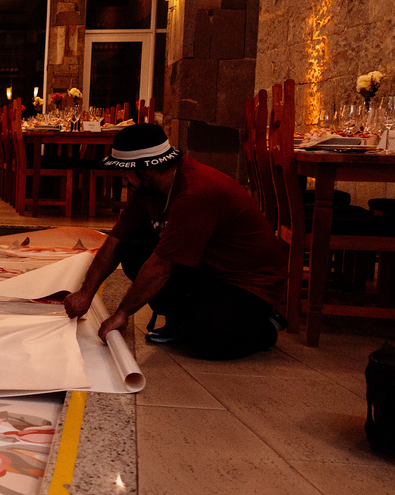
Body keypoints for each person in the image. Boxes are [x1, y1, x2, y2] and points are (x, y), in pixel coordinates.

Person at [62, 123, 287, 360]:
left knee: (208, 342)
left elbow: (161, 266)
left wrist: (122, 313)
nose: (123, 176)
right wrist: (86, 292)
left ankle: (266, 325)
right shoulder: (147, 191)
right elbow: (116, 241)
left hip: (247, 284)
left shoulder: (195, 192)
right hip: (208, 269)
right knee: (132, 247)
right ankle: (183, 319)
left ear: (144, 169)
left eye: (125, 170)